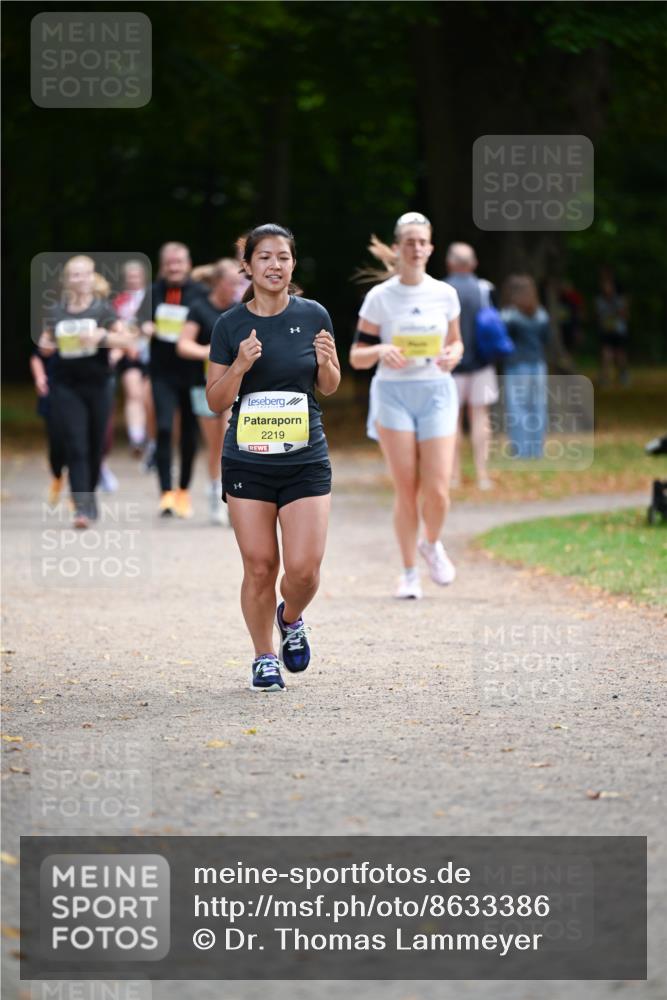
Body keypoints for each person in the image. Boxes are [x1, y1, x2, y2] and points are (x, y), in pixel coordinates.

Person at [206, 224, 340, 692]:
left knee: (303, 570)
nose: (274, 266)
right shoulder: (230, 326)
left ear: (292, 264)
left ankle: (292, 617)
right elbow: (215, 401)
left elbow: (329, 385)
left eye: (283, 257)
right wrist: (240, 365)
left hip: (305, 457)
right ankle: (264, 656)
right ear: (247, 265)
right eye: (264, 257)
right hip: (248, 461)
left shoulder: (315, 313)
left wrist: (327, 364)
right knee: (260, 566)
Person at [349, 212, 463, 600]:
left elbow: (456, 343)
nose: (416, 248)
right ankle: (409, 572)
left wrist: (453, 355)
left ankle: (431, 544)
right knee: (406, 486)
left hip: (435, 391)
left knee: (438, 488)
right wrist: (382, 350)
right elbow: (357, 356)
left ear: (431, 248)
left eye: (422, 242)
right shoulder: (380, 298)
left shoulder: (445, 294)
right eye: (409, 242)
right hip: (393, 394)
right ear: (397, 248)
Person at [38, 255, 137, 528]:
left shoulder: (103, 310)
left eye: (85, 274)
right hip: (66, 384)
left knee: (94, 445)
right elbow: (45, 343)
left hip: (98, 384)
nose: (80, 280)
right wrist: (50, 343)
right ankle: (81, 507)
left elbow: (127, 339)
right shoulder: (56, 311)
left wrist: (101, 338)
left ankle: (89, 497)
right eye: (75, 275)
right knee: (76, 443)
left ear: (92, 278)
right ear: (67, 280)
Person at [138, 242, 206, 518]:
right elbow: (135, 323)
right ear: (162, 265)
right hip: (162, 373)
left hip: (192, 374)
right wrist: (144, 326)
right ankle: (165, 492)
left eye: (179, 262)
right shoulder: (152, 293)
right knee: (164, 429)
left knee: (189, 434)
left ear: (188, 264)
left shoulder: (201, 294)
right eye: (169, 263)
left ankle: (183, 490)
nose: (174, 267)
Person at [176, 258, 240, 525]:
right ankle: (215, 491)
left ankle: (231, 496)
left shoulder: (240, 310)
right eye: (231, 282)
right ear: (217, 282)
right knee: (214, 444)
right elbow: (183, 345)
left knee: (229, 438)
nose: (236, 288)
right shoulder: (199, 309)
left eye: (239, 283)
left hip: (234, 385)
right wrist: (212, 354)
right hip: (201, 386)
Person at [444, 242, 499, 491]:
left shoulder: (442, 290)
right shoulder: (485, 289)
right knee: (480, 417)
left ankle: (454, 476)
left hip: (450, 365)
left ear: (450, 263)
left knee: (451, 421)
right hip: (482, 364)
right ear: (473, 264)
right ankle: (482, 475)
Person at [500, 275, 551, 460]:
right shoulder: (541, 314)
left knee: (517, 408)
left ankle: (520, 451)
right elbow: (547, 340)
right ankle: (536, 450)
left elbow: (501, 339)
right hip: (538, 365)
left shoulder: (509, 315)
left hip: (516, 366)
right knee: (538, 408)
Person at [112, 259, 152, 456]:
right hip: (130, 354)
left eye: (136, 276)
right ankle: (136, 438)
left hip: (152, 354)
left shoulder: (153, 297)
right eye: (130, 277)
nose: (133, 280)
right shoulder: (119, 301)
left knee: (148, 398)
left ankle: (150, 438)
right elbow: (116, 327)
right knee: (133, 394)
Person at [29, 347, 67, 505]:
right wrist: (39, 377)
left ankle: (79, 494)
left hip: (84, 390)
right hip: (55, 392)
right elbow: (38, 354)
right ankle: (57, 476)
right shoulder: (53, 326)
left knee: (79, 446)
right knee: (56, 444)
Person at [595, 267, 630, 386]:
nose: (605, 288)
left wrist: (618, 311)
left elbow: (624, 313)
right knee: (606, 354)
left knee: (620, 355)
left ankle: (623, 374)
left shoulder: (619, 297)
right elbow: (599, 315)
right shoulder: (600, 299)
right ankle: (605, 377)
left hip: (618, 330)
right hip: (606, 331)